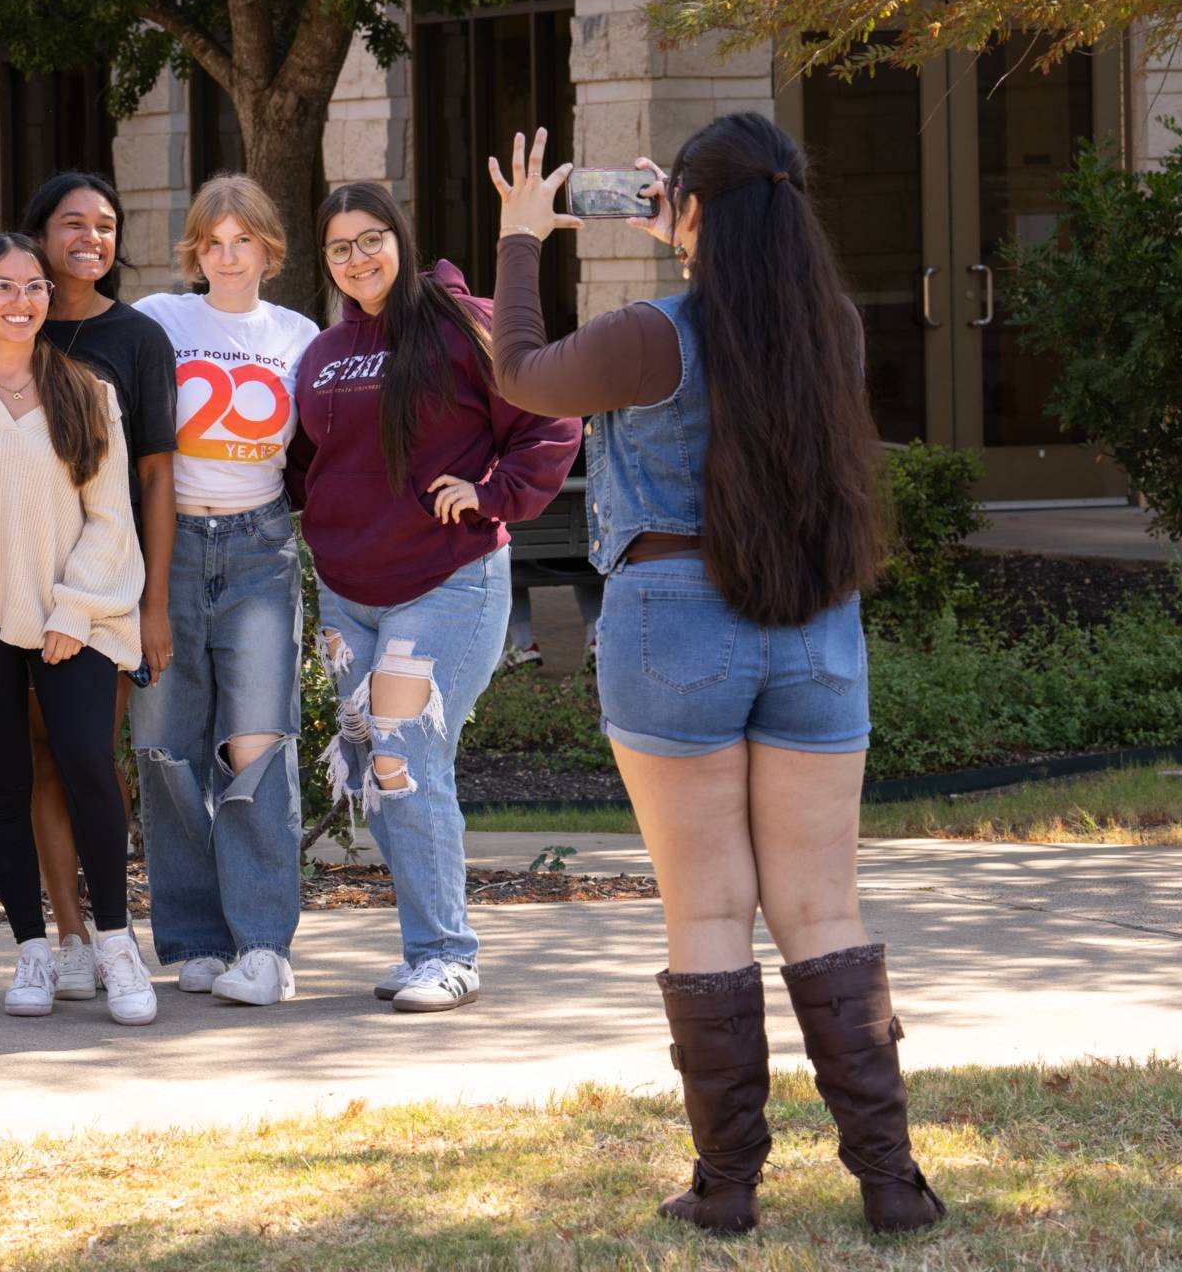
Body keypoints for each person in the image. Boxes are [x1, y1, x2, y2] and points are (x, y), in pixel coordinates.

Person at [488, 115, 944, 1237]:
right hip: (812, 619)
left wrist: (518, 236)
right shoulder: (828, 325)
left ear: (687, 209)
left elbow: (519, 376)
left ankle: (728, 1186)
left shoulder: (650, 335)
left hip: (673, 618)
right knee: (821, 906)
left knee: (706, 911)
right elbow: (745, 306)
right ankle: (890, 1181)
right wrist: (695, 223)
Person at [288, 182, 578, 1014]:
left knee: (404, 756)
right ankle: (427, 947)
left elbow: (550, 421)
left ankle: (448, 954)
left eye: (371, 238)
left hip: (446, 579)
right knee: (378, 771)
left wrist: (495, 492)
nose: (358, 258)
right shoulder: (324, 352)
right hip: (351, 594)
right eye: (340, 247)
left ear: (401, 237)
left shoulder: (463, 323)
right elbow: (310, 461)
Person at [0, 233, 155, 1025]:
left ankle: (118, 944)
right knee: (2, 784)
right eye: (1, 287)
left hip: (75, 616)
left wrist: (71, 609)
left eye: (33, 287)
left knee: (90, 763)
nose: (20, 301)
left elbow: (111, 517)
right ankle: (34, 947)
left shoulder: (87, 391)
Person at [129, 175, 320, 1006]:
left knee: (257, 746)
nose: (228, 255)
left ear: (270, 250)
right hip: (168, 548)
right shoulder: (161, 321)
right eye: (214, 241)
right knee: (167, 747)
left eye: (244, 240)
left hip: (260, 550)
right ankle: (196, 939)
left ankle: (264, 945)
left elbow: (324, 446)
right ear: (195, 252)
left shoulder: (300, 336)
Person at [17, 172, 177, 1002]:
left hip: (106, 586)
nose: (92, 237)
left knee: (88, 754)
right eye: (73, 223)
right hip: (14, 586)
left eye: (107, 224)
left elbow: (156, 478)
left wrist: (152, 602)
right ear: (38, 234)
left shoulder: (137, 338)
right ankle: (69, 932)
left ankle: (113, 931)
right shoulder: (13, 327)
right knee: (39, 756)